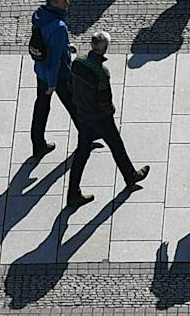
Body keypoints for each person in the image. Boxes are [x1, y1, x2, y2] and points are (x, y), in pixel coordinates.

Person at [64, 30, 149, 206]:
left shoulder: (78, 62)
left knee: (82, 153)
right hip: (99, 117)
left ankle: (73, 193)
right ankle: (131, 176)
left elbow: (71, 85)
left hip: (83, 114)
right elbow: (105, 100)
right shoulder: (101, 73)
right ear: (105, 49)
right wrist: (110, 111)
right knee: (116, 144)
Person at [27, 0, 76, 159]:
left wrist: (66, 46)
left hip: (40, 71)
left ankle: (37, 143)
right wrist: (52, 83)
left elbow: (46, 42)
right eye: (64, 1)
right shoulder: (58, 26)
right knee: (74, 104)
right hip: (57, 75)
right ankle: (87, 135)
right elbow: (54, 59)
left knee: (41, 106)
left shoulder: (40, 15)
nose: (68, 4)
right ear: (54, 3)